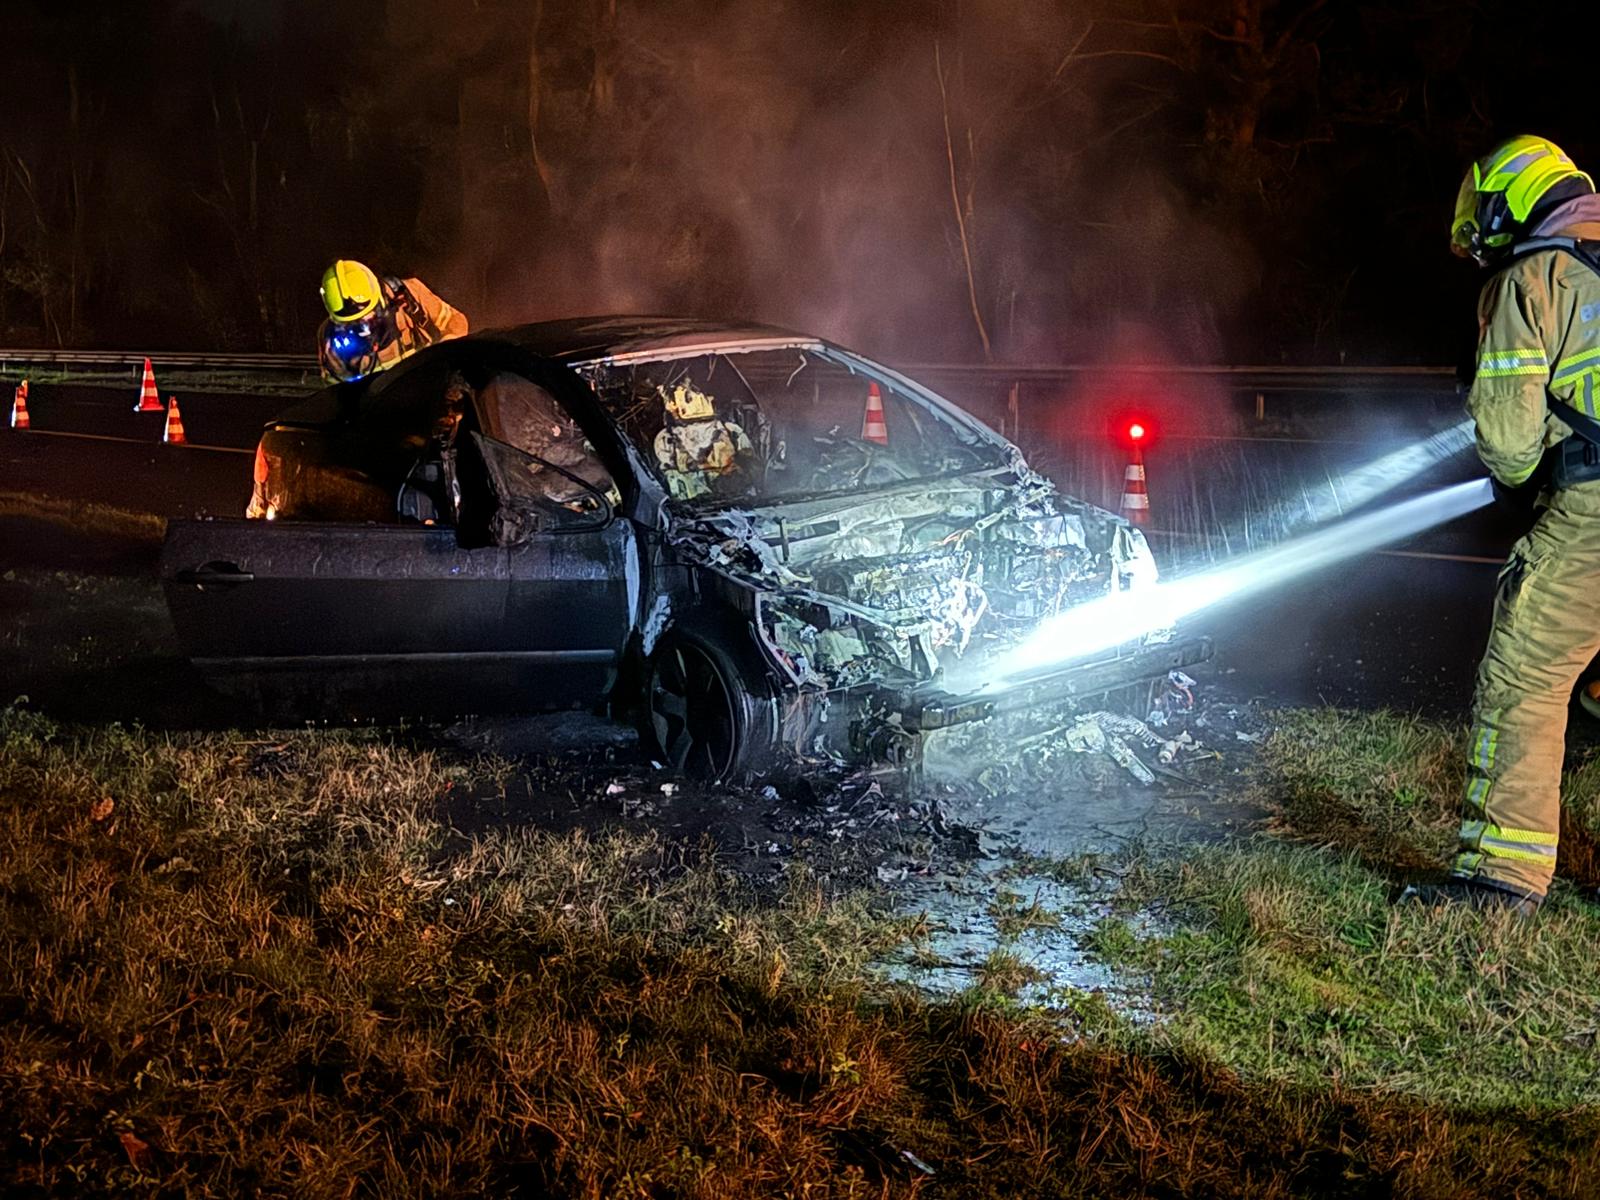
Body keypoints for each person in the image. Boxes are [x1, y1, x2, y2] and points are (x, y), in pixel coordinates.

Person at [1406, 135, 1600, 917]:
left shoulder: (1534, 280)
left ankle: (1501, 879)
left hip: (1591, 515)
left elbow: (1510, 438)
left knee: (1526, 679)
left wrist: (1519, 485)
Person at [317, 259, 469, 383]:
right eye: (353, 323)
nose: (364, 325)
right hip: (382, 412)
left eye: (368, 314)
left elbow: (455, 323)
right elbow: (336, 392)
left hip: (429, 392)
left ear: (379, 297)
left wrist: (445, 362)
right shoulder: (330, 339)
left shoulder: (409, 296)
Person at [652, 379, 753, 499]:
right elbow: (670, 478)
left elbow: (750, 463)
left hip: (737, 503)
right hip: (691, 508)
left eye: (696, 393)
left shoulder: (731, 431)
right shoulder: (666, 440)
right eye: (688, 396)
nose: (695, 399)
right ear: (671, 405)